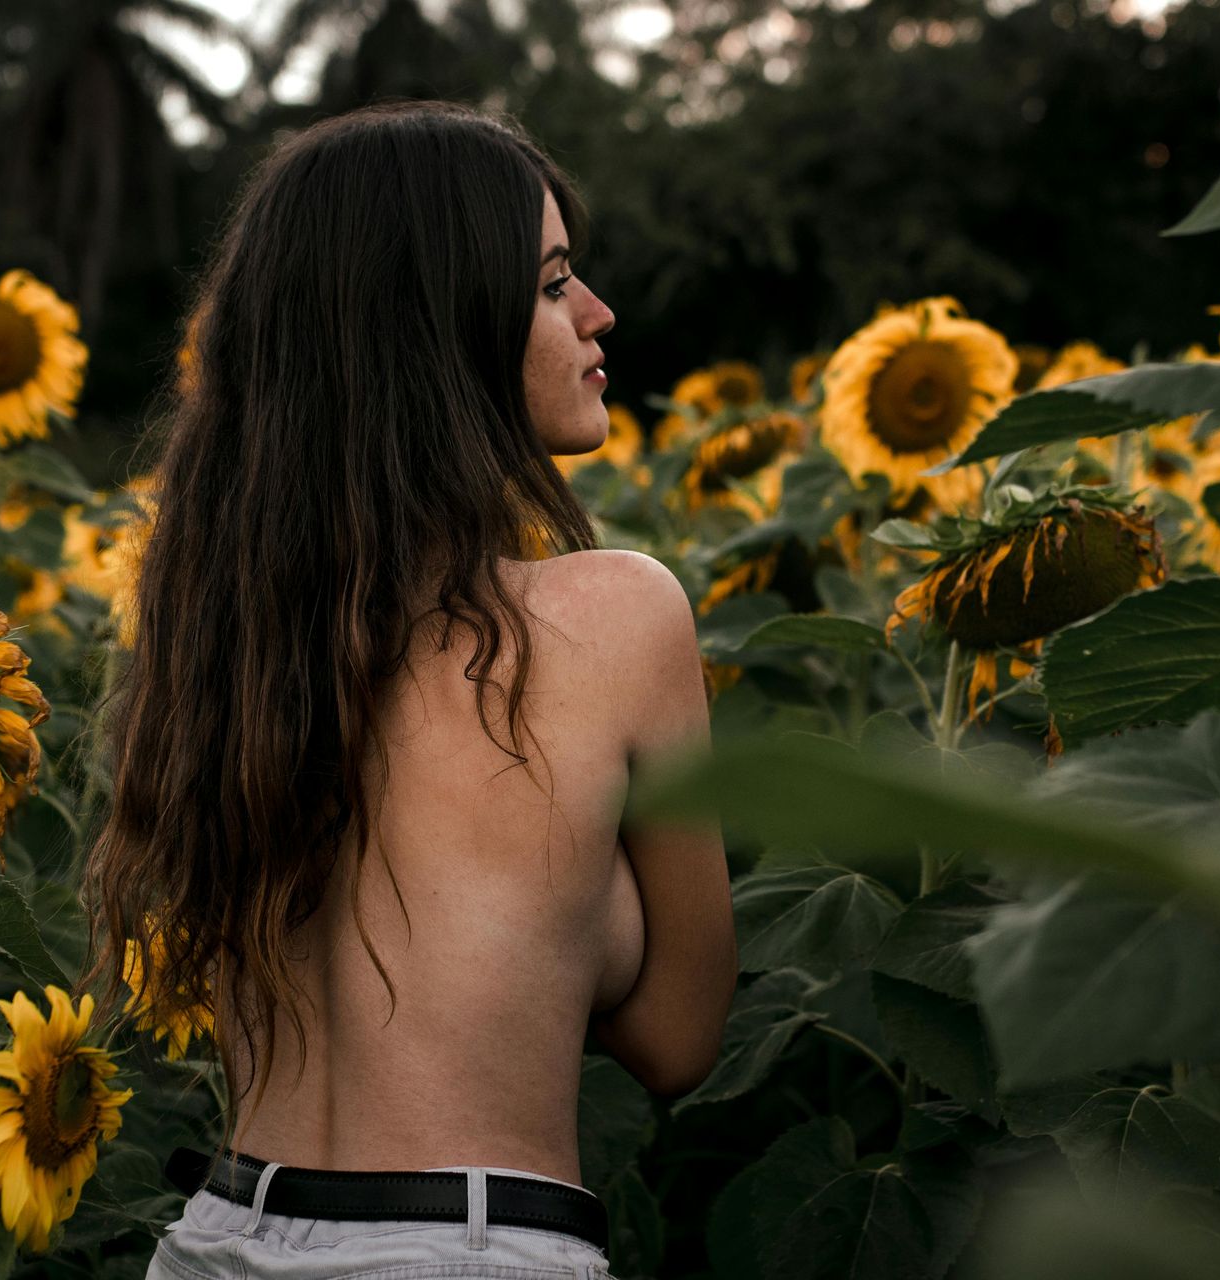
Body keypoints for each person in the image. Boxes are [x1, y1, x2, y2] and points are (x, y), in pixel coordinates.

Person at [81, 100, 739, 1280]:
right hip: (465, 1243)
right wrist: (592, 923)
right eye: (552, 285)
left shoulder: (237, 644)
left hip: (216, 1238)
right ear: (439, 332)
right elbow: (678, 1037)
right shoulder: (620, 614)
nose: (598, 312)